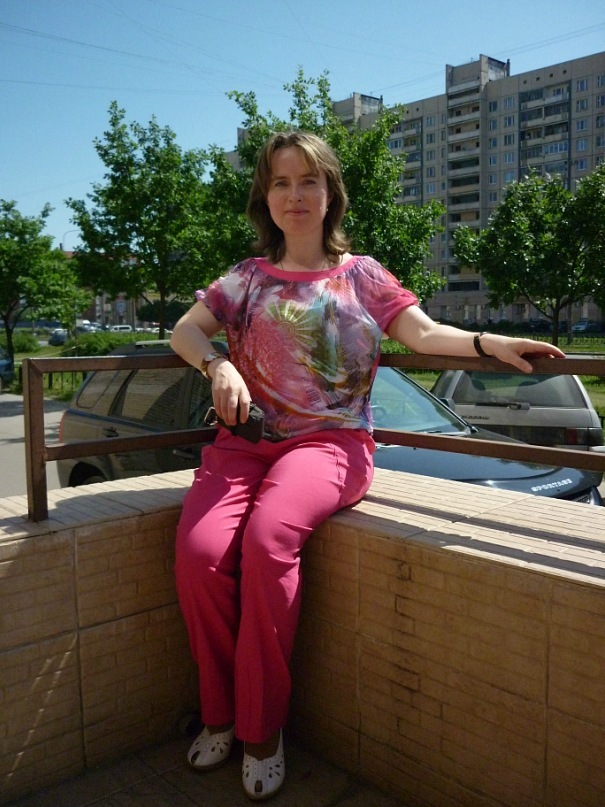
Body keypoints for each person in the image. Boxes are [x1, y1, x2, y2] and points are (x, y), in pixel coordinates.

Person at [170, 130, 565, 801]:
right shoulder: (245, 278)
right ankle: (220, 712)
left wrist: (489, 342)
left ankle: (261, 728)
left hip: (331, 445)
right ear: (265, 197)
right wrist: (218, 365)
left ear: (330, 193)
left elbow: (423, 333)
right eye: (280, 182)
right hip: (244, 443)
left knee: (267, 542)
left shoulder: (362, 275)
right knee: (199, 553)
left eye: (308, 181)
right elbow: (185, 330)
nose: (295, 195)